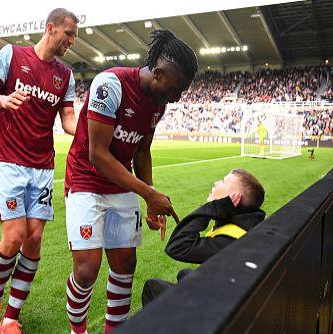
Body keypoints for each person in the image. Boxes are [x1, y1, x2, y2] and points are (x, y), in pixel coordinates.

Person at [63, 29, 198, 334]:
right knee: (86, 271)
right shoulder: (110, 85)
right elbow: (97, 155)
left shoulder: (158, 102)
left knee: (125, 265)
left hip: (120, 183)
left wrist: (149, 199)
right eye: (175, 90)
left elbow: (143, 150)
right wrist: (149, 193)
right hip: (85, 180)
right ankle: (78, 331)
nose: (175, 99)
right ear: (159, 73)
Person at [0, 8, 78, 334]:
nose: (72, 42)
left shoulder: (66, 75)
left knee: (33, 240)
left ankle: (11, 318)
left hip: (42, 166)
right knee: (15, 236)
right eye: (69, 34)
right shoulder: (12, 55)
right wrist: (2, 100)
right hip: (7, 159)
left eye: (74, 36)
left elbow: (69, 122)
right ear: (51, 28)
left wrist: (96, 125)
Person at [141, 169, 266, 306]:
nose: (216, 183)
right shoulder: (247, 225)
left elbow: (177, 247)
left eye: (223, 182)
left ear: (233, 198)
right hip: (226, 293)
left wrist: (214, 207)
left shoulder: (229, 241)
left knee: (152, 286)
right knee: (184, 273)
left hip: (216, 309)